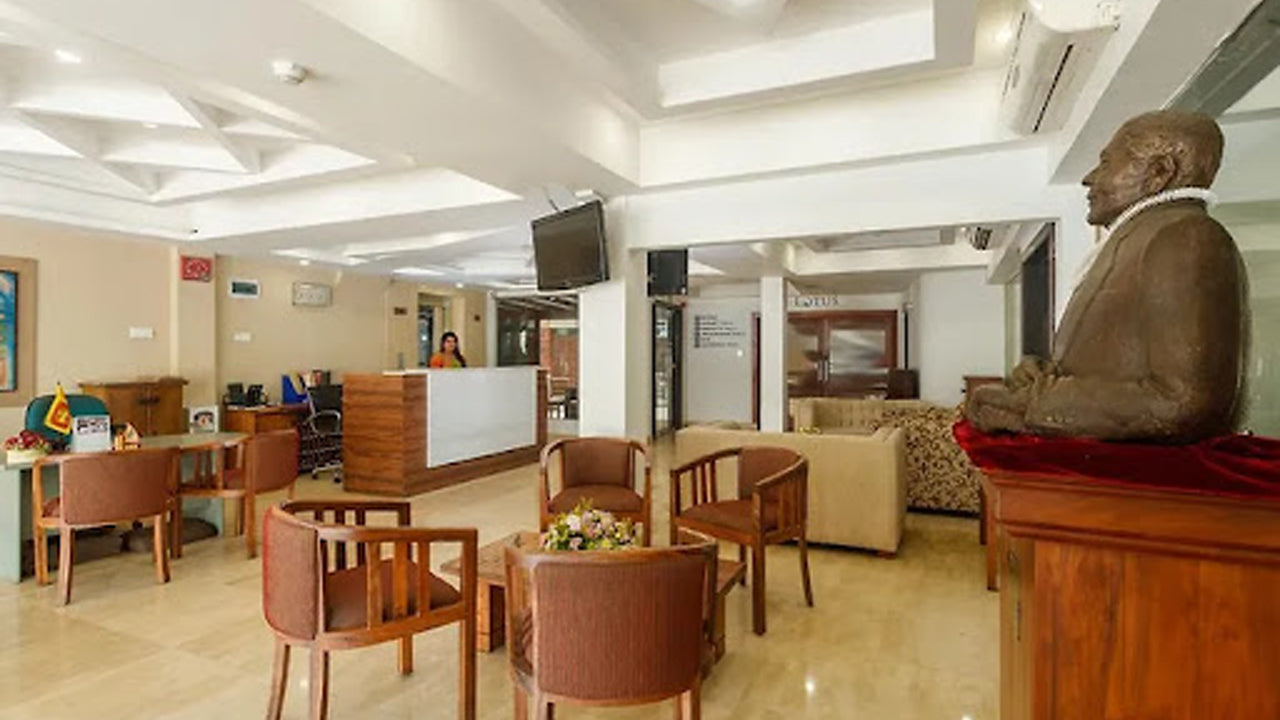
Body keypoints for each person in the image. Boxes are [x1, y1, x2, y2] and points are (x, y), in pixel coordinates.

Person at [965, 110, 1247, 443]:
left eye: (1105, 163)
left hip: (1139, 475)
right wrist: (1044, 378)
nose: (1089, 178)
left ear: (1160, 172)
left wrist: (1031, 404)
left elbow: (1184, 402)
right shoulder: (1143, 238)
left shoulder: (1186, 237)